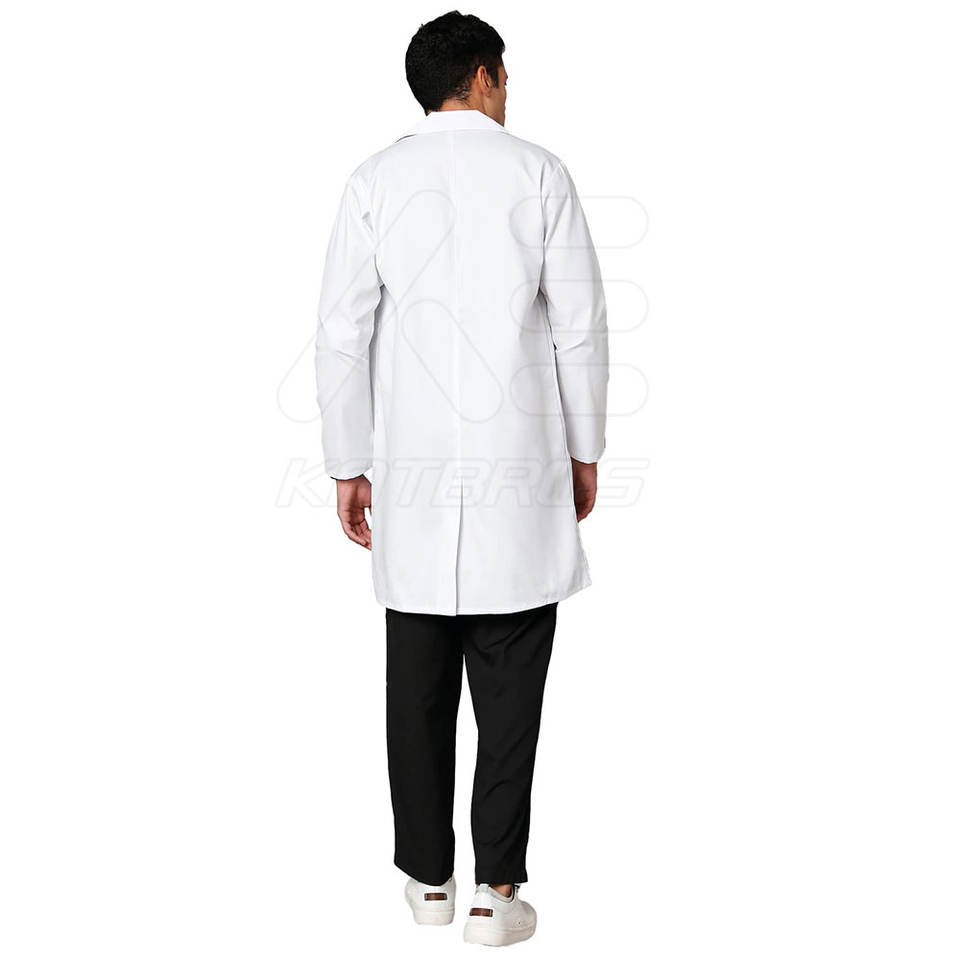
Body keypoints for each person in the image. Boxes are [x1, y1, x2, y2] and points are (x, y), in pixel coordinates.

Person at [315, 10, 608, 947]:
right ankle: (496, 892)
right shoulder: (538, 173)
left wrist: (347, 464)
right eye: (505, 74)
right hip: (521, 465)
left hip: (413, 476)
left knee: (416, 683)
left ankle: (429, 881)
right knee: (511, 689)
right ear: (481, 75)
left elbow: (340, 334)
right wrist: (586, 448)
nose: (509, 90)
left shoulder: (374, 181)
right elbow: (580, 326)